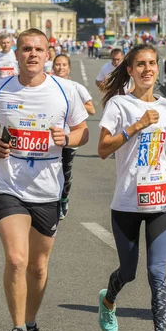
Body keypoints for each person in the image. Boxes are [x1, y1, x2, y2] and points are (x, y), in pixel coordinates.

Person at [0, 28, 89, 331]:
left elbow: (83, 132)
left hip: (47, 190)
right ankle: (17, 330)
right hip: (9, 187)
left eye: (39, 49)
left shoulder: (64, 91)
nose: (32, 54)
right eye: (26, 49)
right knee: (16, 259)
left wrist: (66, 138)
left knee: (38, 267)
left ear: (48, 53)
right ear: (18, 54)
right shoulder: (0, 89)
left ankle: (31, 322)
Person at [96, 44, 166, 331]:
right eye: (140, 65)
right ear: (131, 70)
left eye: (152, 64)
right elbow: (103, 149)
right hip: (127, 201)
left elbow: (162, 137)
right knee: (130, 271)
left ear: (158, 68)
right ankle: (108, 300)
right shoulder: (120, 104)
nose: (147, 69)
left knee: (157, 273)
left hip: (161, 198)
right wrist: (134, 126)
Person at [52, 54, 95, 219]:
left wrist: (72, 102)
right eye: (57, 64)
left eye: (64, 65)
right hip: (50, 137)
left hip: (71, 136)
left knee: (65, 172)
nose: (60, 68)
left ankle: (63, 198)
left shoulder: (76, 87)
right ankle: (51, 204)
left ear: (69, 68)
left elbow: (91, 110)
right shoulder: (47, 85)